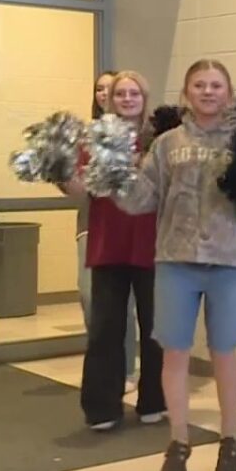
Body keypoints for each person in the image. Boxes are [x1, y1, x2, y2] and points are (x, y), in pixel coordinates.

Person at [116, 59, 236, 471]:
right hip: (176, 259)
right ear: (186, 92)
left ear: (228, 92)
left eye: (216, 85)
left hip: (230, 259)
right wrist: (115, 176)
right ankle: (178, 441)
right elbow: (141, 199)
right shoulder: (167, 143)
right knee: (175, 352)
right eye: (199, 85)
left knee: (224, 351)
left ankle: (230, 436)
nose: (207, 92)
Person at [62, 71, 164, 431]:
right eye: (120, 93)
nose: (127, 99)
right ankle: (103, 407)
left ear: (144, 99)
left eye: (134, 93)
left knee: (156, 328)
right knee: (105, 328)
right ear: (108, 99)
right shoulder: (93, 140)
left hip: (153, 244)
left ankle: (154, 400)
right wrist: (58, 170)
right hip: (108, 243)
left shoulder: (160, 141)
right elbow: (79, 190)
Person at [77, 71, 140, 393]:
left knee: (129, 307)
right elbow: (78, 187)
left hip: (139, 234)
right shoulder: (89, 137)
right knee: (93, 301)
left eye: (110, 88)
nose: (105, 94)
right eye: (100, 89)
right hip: (95, 230)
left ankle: (127, 371)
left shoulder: (149, 137)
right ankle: (106, 372)